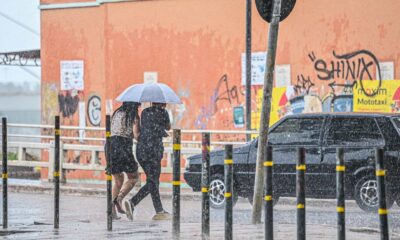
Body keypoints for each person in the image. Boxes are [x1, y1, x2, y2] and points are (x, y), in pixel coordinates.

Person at [125, 102, 171, 221]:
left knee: (152, 181)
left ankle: (159, 210)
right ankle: (132, 202)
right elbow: (168, 127)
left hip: (141, 150)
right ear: (163, 102)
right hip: (153, 152)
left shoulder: (145, 112)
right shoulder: (163, 112)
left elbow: (143, 129)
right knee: (153, 182)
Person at [106, 101, 141, 219]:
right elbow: (136, 135)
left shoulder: (117, 113)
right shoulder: (133, 116)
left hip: (111, 146)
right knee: (134, 177)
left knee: (118, 180)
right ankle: (119, 198)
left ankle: (111, 211)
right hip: (123, 147)